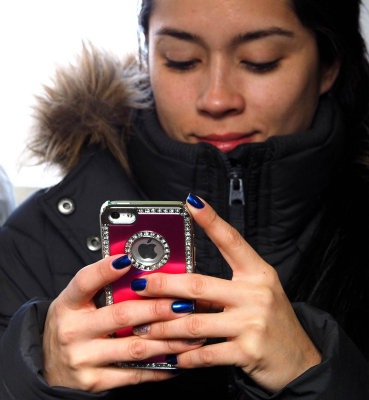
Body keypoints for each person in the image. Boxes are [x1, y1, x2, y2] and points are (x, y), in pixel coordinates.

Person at [0, 0, 368, 398]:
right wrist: (36, 379)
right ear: (148, 55)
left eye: (261, 61)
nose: (216, 99)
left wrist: (315, 375)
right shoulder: (35, 240)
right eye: (181, 60)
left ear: (329, 65)